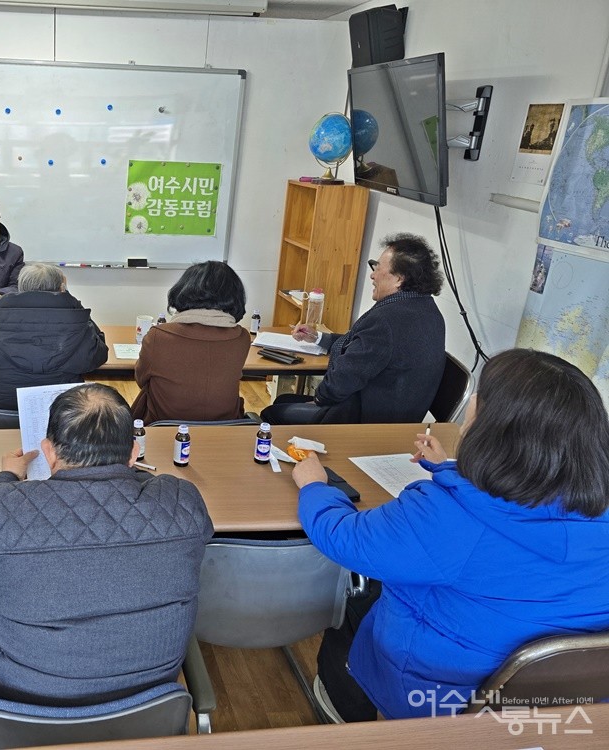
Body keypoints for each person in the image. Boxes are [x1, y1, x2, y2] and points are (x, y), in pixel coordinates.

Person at [292, 348, 609, 722]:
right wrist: (448, 469)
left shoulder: (447, 516)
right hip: (570, 704)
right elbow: (519, 500)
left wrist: (314, 487)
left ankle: (345, 716)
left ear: (493, 432)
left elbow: (345, 538)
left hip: (439, 697)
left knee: (354, 604)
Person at [0, 383, 214, 705]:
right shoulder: (183, 502)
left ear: (48, 451)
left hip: (18, 711)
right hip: (144, 710)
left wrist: (6, 478)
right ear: (134, 453)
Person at [262, 233, 445, 425]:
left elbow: (340, 382)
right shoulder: (429, 311)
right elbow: (363, 346)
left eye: (378, 267)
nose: (373, 275)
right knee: (284, 401)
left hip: (366, 422)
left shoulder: (385, 321)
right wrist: (318, 338)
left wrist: (318, 399)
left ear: (399, 279)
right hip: (399, 416)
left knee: (271, 414)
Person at [0, 263, 108, 412]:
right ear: (62, 289)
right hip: (62, 420)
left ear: (19, 289)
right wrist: (76, 310)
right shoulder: (79, 328)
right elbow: (99, 356)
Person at [131, 260, 251, 423]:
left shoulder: (158, 336)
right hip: (225, 429)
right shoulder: (242, 338)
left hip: (163, 429)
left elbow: (141, 379)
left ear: (184, 290)